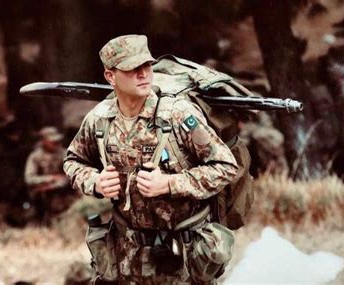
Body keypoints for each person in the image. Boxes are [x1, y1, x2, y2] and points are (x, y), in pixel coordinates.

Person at [64, 35, 239, 284]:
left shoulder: (178, 115)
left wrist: (170, 184)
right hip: (125, 258)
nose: (143, 74)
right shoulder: (99, 119)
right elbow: (73, 161)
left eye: (146, 66)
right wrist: (95, 181)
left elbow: (225, 165)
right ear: (110, 77)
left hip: (182, 257)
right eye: (133, 69)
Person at [24, 126, 70, 225]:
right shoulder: (35, 157)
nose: (56, 143)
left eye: (57, 141)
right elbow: (29, 178)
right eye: (52, 141)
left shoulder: (64, 154)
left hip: (63, 191)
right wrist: (50, 179)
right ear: (43, 141)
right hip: (41, 193)